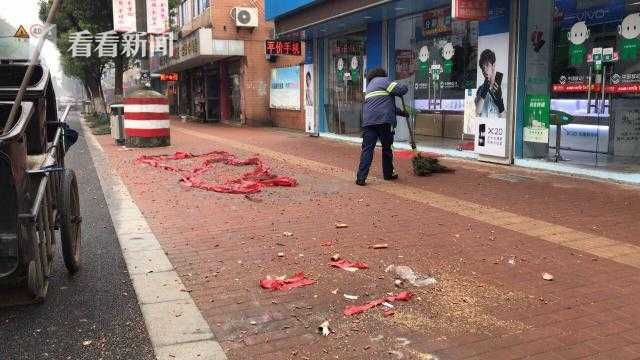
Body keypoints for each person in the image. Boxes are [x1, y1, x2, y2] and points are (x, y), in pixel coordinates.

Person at [356, 68, 408, 186]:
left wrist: (402, 113)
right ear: (383, 74)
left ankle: (361, 177)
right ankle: (388, 174)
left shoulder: (369, 87)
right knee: (386, 147)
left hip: (368, 122)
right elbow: (400, 90)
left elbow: (386, 106)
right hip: (384, 121)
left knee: (367, 149)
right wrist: (405, 87)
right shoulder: (384, 81)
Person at [475, 49, 505, 118]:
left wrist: (500, 104)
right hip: (484, 126)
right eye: (483, 68)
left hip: (497, 128)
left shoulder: (504, 87)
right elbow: (477, 113)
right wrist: (483, 95)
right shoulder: (480, 89)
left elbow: (506, 118)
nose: (484, 70)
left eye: (487, 65)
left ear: (493, 65)